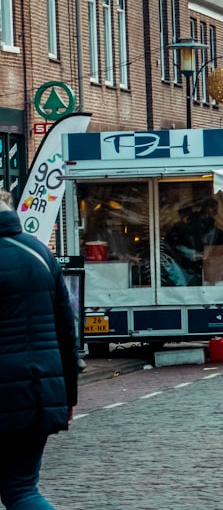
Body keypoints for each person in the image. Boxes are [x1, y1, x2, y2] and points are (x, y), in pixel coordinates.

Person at [0, 189, 79, 509]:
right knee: (21, 489)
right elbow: (67, 332)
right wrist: (68, 396)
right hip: (39, 391)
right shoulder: (40, 254)